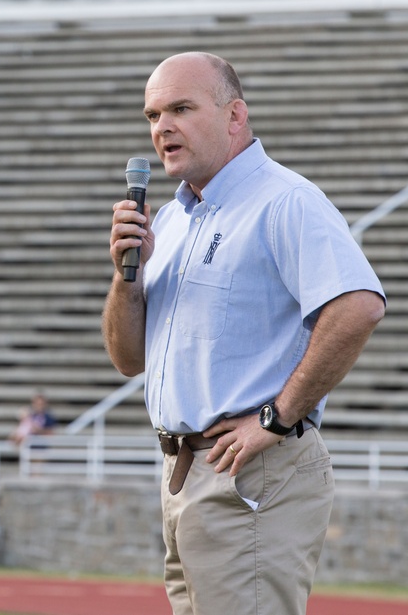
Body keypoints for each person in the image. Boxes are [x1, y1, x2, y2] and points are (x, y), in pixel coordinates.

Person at [102, 52, 385, 615]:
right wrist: (124, 279)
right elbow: (128, 360)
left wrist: (277, 417)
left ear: (235, 116)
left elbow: (358, 306)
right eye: (152, 115)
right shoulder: (171, 219)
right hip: (185, 473)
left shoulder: (284, 200)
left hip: (250, 471)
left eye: (180, 108)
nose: (162, 128)